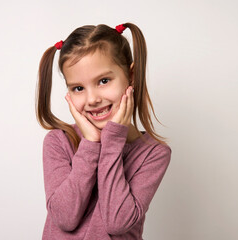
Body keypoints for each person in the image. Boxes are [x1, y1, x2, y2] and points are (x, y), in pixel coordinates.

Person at [35, 22, 172, 240]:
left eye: (104, 81)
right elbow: (64, 218)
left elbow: (118, 222)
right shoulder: (59, 141)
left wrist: (112, 141)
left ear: (132, 75)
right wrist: (90, 145)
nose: (92, 99)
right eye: (78, 88)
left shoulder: (153, 153)